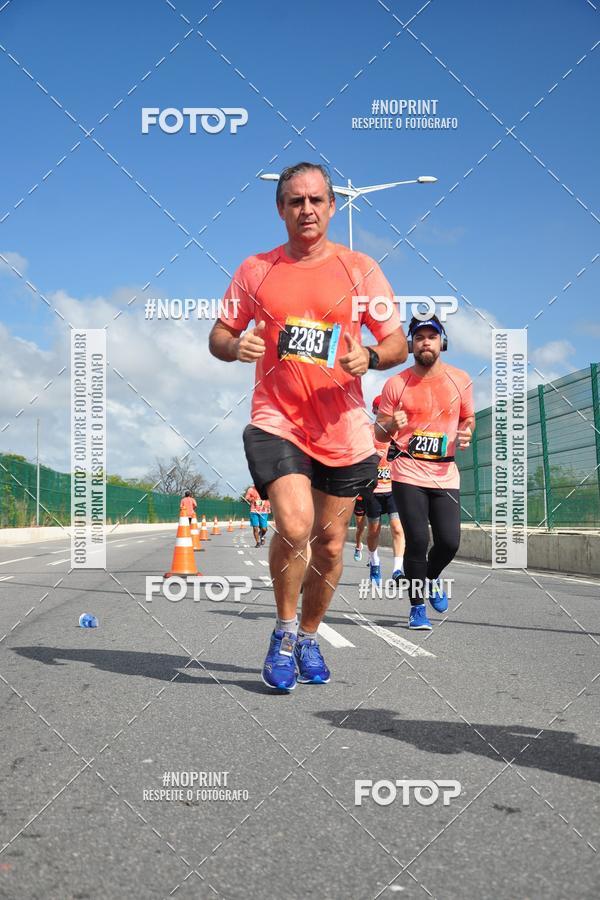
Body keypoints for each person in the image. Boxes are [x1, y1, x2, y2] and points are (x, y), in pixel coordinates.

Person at [209, 161, 407, 690]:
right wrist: (235, 345)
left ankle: (311, 635)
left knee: (330, 544)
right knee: (294, 526)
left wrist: (371, 356)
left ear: (332, 206)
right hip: (277, 419)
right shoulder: (256, 270)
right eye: (295, 201)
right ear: (280, 210)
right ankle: (283, 630)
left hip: (342, 429)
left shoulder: (360, 268)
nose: (306, 209)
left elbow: (397, 341)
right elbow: (221, 333)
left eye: (316, 200)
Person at [376, 315, 474, 630]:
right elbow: (378, 433)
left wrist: (466, 432)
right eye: (419, 338)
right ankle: (417, 607)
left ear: (441, 342)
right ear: (411, 344)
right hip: (407, 472)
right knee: (417, 540)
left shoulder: (461, 380)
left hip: (445, 473)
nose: (426, 342)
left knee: (449, 542)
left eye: (432, 336)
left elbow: (468, 419)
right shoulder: (396, 384)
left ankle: (430, 579)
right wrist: (392, 424)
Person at [365, 395, 405, 586]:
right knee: (374, 531)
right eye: (381, 409)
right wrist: (374, 455)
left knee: (398, 528)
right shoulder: (368, 431)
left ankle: (398, 569)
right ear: (375, 411)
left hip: (394, 487)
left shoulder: (399, 432)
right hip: (373, 490)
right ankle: (374, 561)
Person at [353, 494, 367, 561]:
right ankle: (358, 547)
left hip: (374, 497)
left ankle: (372, 555)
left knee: (373, 527)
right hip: (360, 499)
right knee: (360, 527)